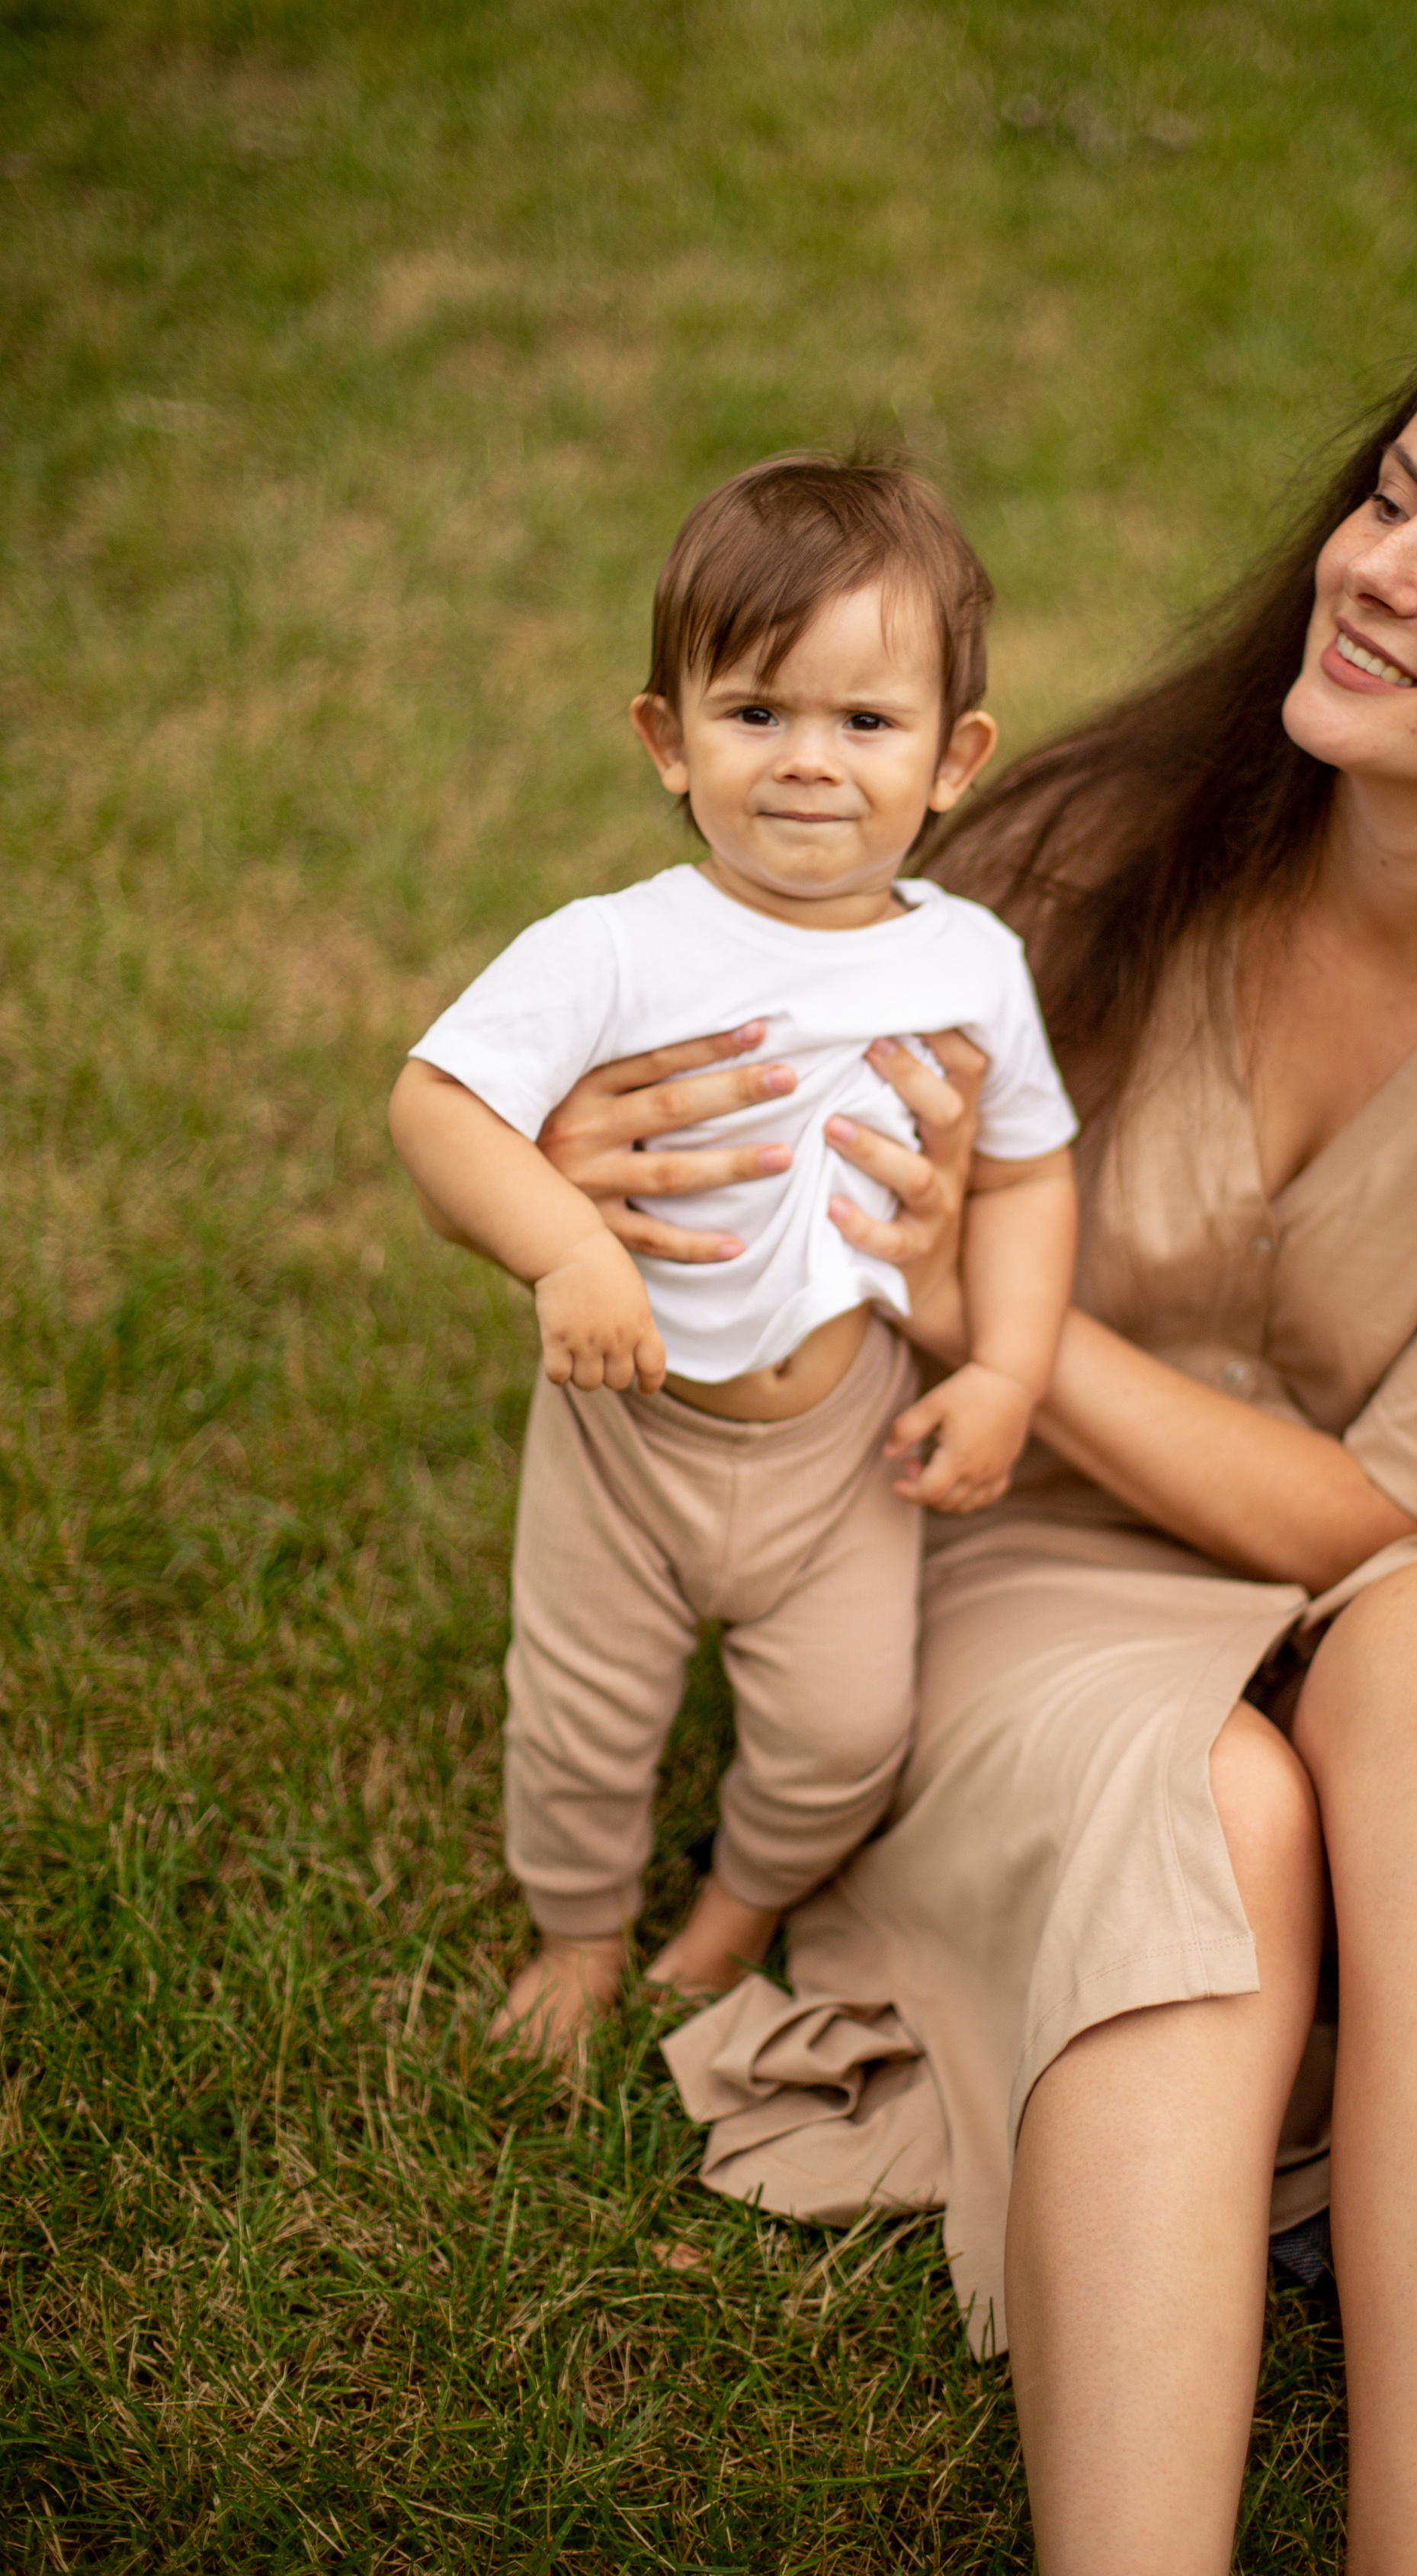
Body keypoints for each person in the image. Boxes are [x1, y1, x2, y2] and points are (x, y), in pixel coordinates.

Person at [521, 308, 1417, 2575]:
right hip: (1008, 1571)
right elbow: (725, 1137)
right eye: (1391, 496)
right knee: (1219, 1808)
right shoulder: (1087, 851)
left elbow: (1393, 1527)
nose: (1379, 565)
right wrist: (607, 1157)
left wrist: (992, 1309)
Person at [390, 453, 1076, 2046]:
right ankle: (578, 1934)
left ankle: (738, 1909)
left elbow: (1032, 1172)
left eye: (867, 721)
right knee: (581, 1715)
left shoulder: (973, 965)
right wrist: (570, 1253)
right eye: (757, 711)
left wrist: (1009, 1372)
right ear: (667, 739)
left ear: (954, 759)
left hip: (845, 1447)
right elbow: (437, 1107)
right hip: (630, 1431)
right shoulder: (615, 949)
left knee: (845, 1730)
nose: (809, 762)